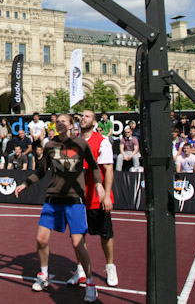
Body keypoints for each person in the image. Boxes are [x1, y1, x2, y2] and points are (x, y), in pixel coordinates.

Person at [15, 114, 103, 302]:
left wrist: (98, 184)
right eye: (58, 121)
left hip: (74, 200)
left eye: (64, 121)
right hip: (53, 199)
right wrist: (26, 184)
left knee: (78, 243)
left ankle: (89, 283)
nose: (60, 123)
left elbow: (94, 166)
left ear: (71, 125)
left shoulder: (81, 144)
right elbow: (41, 170)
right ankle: (44, 274)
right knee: (41, 239)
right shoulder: (49, 146)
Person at [77, 110, 119, 287]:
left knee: (105, 234)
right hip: (78, 198)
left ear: (94, 122)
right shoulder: (73, 142)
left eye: (87, 116)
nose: (82, 118)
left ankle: (110, 267)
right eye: (81, 116)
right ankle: (81, 270)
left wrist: (107, 195)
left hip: (96, 196)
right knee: (78, 236)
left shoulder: (102, 142)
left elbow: (108, 169)